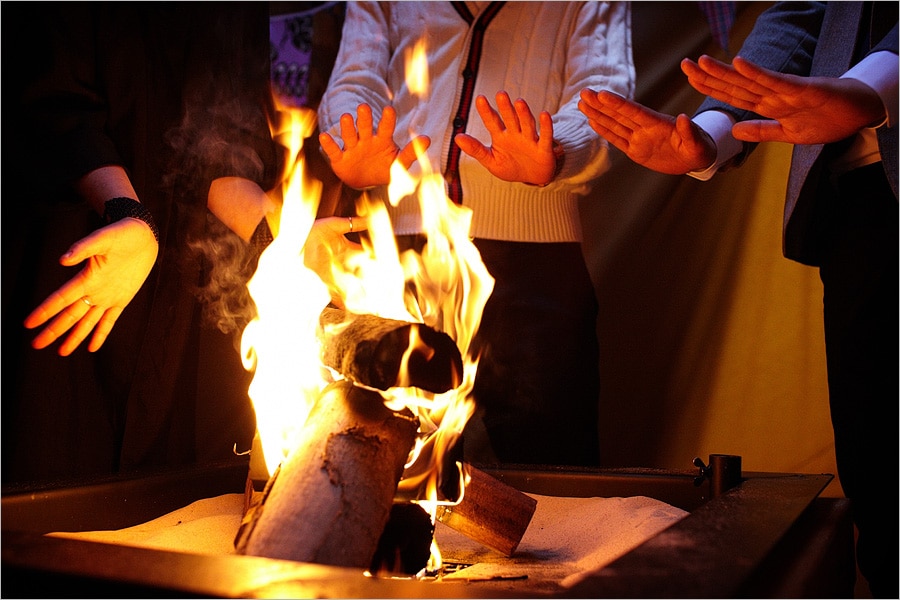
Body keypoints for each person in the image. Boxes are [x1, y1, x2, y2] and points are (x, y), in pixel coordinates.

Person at [577, 2, 897, 596]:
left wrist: (873, 84)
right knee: (881, 478)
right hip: (855, 201)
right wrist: (711, 134)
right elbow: (804, 12)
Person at [1, 3, 355, 489]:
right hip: (84, 250)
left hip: (184, 291)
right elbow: (53, 103)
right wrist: (128, 212)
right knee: (56, 471)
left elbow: (221, 150)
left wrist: (282, 244)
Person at [317, 2, 634, 466]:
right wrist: (352, 137)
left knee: (554, 477)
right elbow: (354, 80)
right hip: (399, 260)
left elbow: (603, 95)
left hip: (536, 269)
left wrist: (557, 150)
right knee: (391, 465)